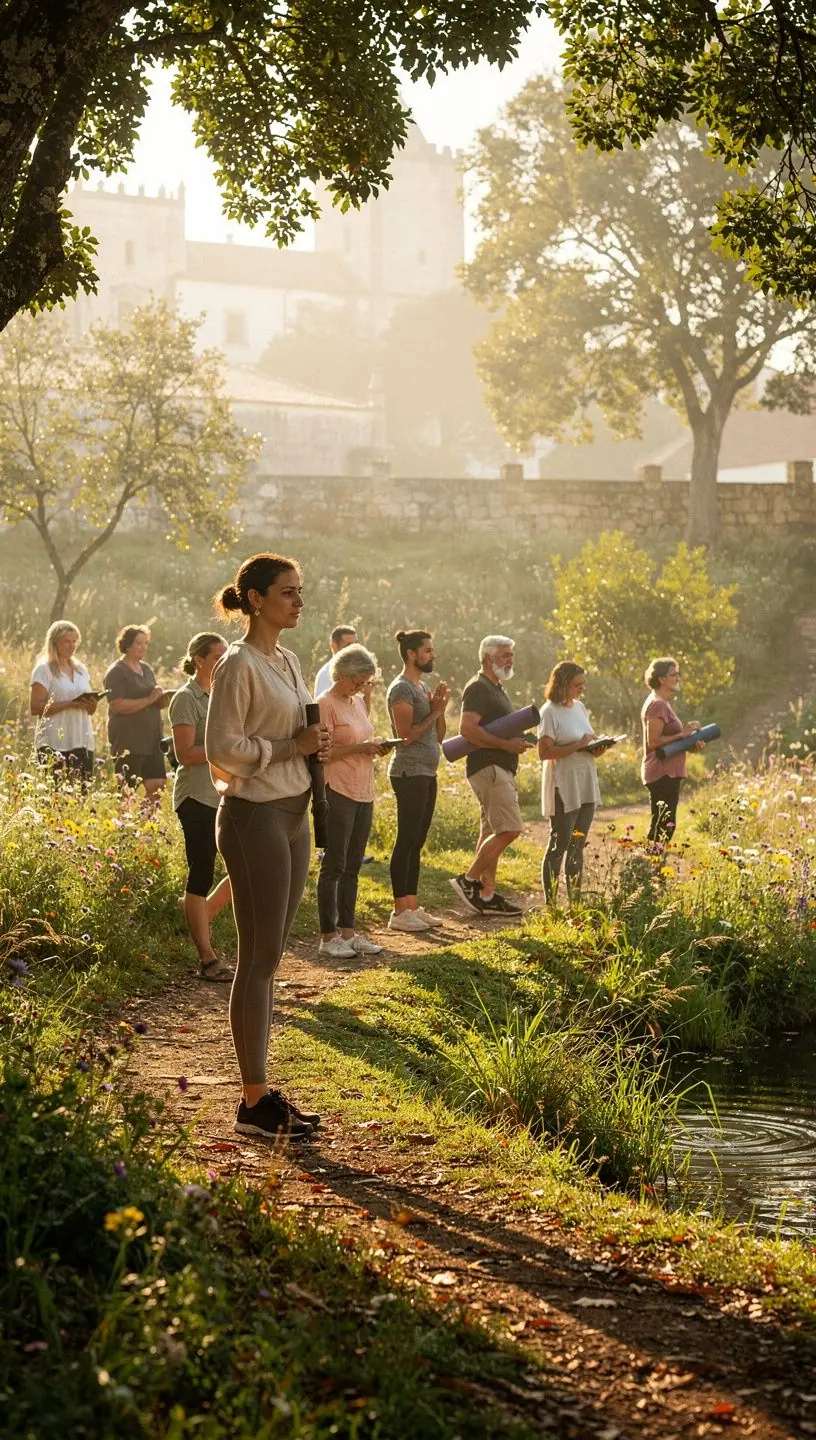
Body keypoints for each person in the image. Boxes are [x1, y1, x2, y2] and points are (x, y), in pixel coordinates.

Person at [205, 552, 330, 1141]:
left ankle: (262, 1090)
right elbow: (222, 749)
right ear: (255, 599)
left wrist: (312, 744)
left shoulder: (289, 659)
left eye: (300, 591)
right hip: (254, 815)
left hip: (295, 814)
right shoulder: (238, 666)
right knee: (257, 960)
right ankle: (254, 1100)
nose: (298, 601)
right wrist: (291, 747)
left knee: (272, 956)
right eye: (287, 592)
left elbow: (296, 736)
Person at [317, 643, 391, 958]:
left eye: (364, 683)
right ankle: (327, 936)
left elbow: (361, 740)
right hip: (338, 789)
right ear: (341, 674)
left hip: (364, 789)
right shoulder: (324, 704)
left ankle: (349, 932)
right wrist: (362, 748)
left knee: (353, 866)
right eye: (357, 681)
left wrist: (376, 746)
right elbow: (324, 752)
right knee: (333, 864)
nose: (360, 688)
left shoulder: (357, 702)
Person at [449, 635, 530, 918]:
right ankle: (469, 880)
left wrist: (517, 740)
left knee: (491, 831)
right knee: (510, 829)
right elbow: (467, 729)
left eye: (511, 655)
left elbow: (493, 728)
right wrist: (507, 746)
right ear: (487, 658)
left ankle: (487, 895)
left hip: (499, 767)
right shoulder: (478, 688)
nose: (510, 659)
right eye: (504, 655)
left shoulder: (497, 688)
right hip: (489, 768)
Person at [169, 632, 233, 982]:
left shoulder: (223, 695)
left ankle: (202, 912)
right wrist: (227, 748)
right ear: (199, 660)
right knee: (202, 871)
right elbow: (185, 753)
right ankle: (207, 959)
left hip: (227, 793)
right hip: (196, 797)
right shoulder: (185, 698)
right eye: (218, 657)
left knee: (243, 865)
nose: (224, 662)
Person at [386, 628, 449, 933]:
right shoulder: (401, 690)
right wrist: (433, 711)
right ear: (412, 654)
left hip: (428, 771)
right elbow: (407, 736)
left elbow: (440, 735)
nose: (432, 655)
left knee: (418, 841)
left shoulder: (422, 688)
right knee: (407, 839)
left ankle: (412, 905)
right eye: (427, 650)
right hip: (408, 772)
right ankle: (399, 911)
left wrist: (440, 711)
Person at [537, 662, 601, 903]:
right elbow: (544, 752)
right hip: (564, 785)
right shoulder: (549, 712)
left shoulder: (580, 707)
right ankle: (551, 904)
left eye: (583, 685)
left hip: (585, 782)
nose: (581, 689)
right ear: (563, 684)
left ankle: (575, 902)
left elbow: (585, 741)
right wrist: (579, 745)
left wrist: (597, 748)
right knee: (559, 844)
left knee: (578, 844)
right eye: (577, 685)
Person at [641, 656, 703, 842]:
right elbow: (653, 742)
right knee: (663, 825)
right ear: (661, 679)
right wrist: (681, 734)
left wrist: (691, 745)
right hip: (662, 773)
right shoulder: (657, 704)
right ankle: (647, 866)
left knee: (665, 825)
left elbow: (669, 742)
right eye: (673, 674)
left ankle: (652, 866)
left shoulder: (662, 703)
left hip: (669, 773)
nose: (678, 678)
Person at [104, 625, 169, 796]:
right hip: (129, 740)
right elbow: (116, 705)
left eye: (145, 643)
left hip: (152, 738)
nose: (143, 647)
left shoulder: (146, 669)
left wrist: (162, 698)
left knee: (158, 786)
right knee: (127, 789)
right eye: (139, 643)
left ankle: (148, 821)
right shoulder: (117, 671)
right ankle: (124, 822)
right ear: (127, 644)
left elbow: (153, 700)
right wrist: (149, 700)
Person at [29, 620, 98, 781]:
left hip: (82, 740)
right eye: (67, 641)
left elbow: (90, 711)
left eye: (74, 641)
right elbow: (35, 707)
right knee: (56, 796)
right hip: (54, 742)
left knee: (82, 795)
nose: (71, 645)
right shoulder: (44, 670)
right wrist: (70, 703)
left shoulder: (81, 669)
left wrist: (92, 704)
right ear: (54, 642)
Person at [314, 625, 358, 699]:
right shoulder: (325, 674)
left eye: (355, 644)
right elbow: (321, 707)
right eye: (348, 645)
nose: (354, 649)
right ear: (334, 646)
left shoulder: (358, 672)